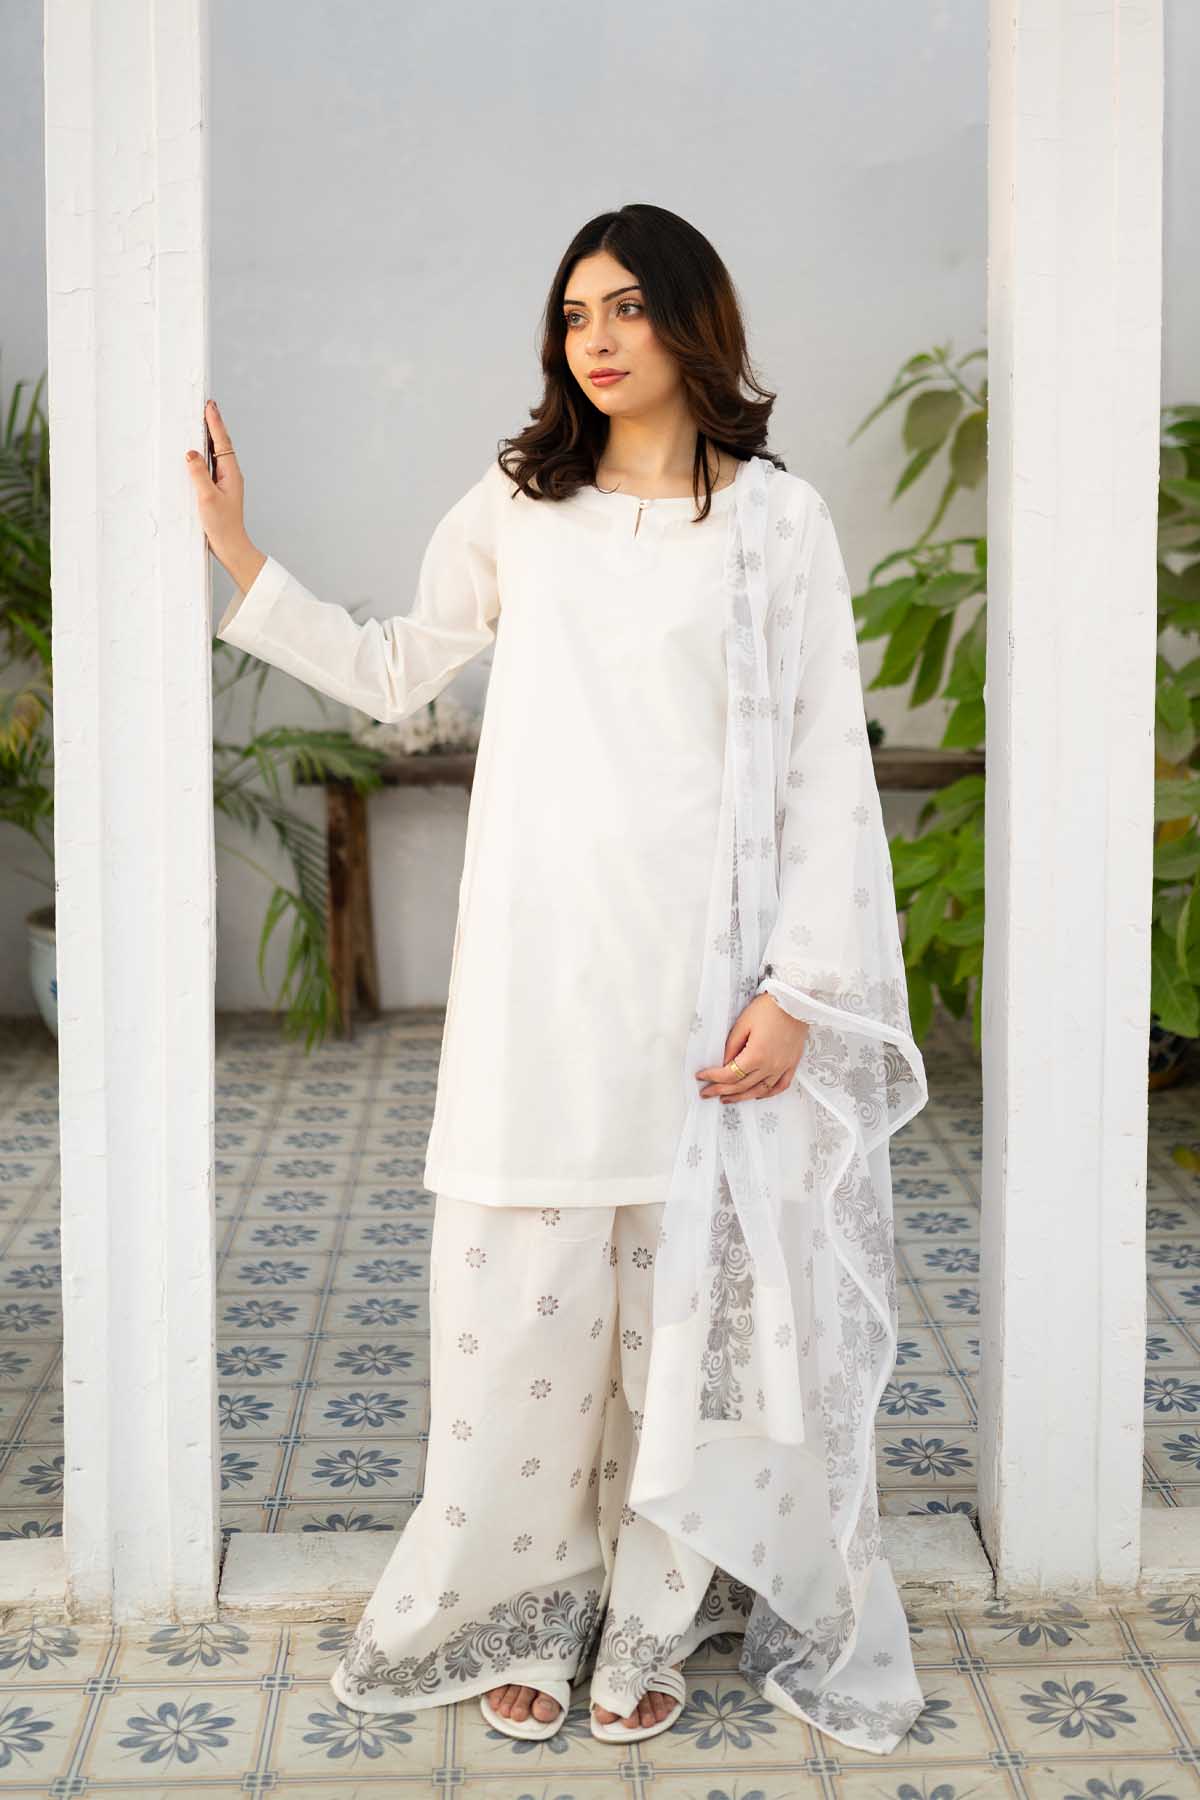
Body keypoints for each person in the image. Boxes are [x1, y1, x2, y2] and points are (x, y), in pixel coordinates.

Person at [186, 202, 930, 1755]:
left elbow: (823, 770)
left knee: (684, 1308)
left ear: (692, 322)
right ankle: (523, 1607)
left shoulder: (778, 524)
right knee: (524, 1312)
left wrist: (799, 986)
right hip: (541, 975)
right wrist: (242, 554)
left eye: (627, 307)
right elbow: (399, 666)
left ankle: (649, 1614)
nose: (594, 337)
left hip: (704, 985)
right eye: (575, 312)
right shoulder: (524, 505)